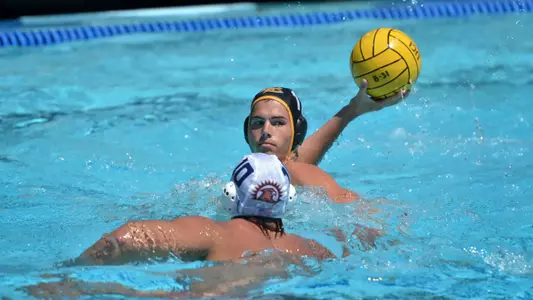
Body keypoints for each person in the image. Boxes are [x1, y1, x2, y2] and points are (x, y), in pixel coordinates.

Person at [72, 152, 335, 267]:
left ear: (230, 195)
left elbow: (124, 239)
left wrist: (72, 268)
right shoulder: (312, 250)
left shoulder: (215, 234)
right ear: (288, 199)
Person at [243, 79, 407, 203]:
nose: (265, 131)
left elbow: (361, 210)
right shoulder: (275, 171)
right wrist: (351, 110)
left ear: (297, 133)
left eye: (278, 123)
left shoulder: (299, 172)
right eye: (258, 123)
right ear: (247, 132)